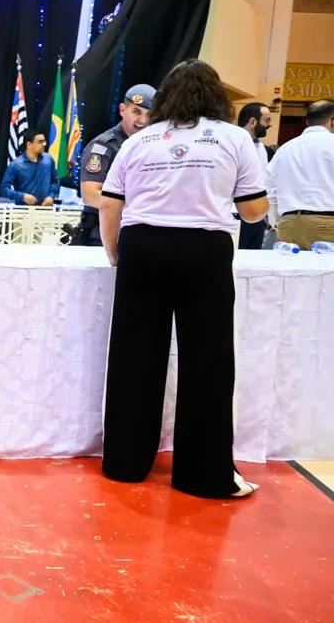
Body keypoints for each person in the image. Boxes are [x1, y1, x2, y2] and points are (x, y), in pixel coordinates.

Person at [98, 59, 269, 499]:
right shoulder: (234, 138)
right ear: (217, 96)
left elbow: (109, 203)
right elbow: (253, 210)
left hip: (142, 247)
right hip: (203, 250)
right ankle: (204, 474)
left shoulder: (140, 140)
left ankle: (124, 462)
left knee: (135, 356)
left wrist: (116, 254)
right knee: (207, 360)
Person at [72, 84, 156, 245]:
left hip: (138, 232)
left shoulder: (152, 147)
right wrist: (136, 210)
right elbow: (90, 196)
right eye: (137, 112)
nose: (143, 120)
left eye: (149, 114)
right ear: (122, 110)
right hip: (102, 234)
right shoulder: (104, 146)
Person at [267, 99, 334, 249]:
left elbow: (269, 189)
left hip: (288, 224)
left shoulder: (284, 149)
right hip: (328, 222)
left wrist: (277, 222)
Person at [233, 102, 273, 249]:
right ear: (253, 122)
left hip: (258, 216)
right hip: (237, 213)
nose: (270, 125)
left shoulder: (262, 148)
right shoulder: (233, 143)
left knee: (254, 257)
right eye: (267, 120)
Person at [0, 129, 58, 206]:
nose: (44, 144)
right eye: (40, 142)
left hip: (46, 209)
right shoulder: (16, 165)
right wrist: (22, 197)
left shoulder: (49, 159)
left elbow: (55, 181)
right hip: (24, 210)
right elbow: (4, 189)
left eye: (44, 141)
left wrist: (51, 196)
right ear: (29, 144)